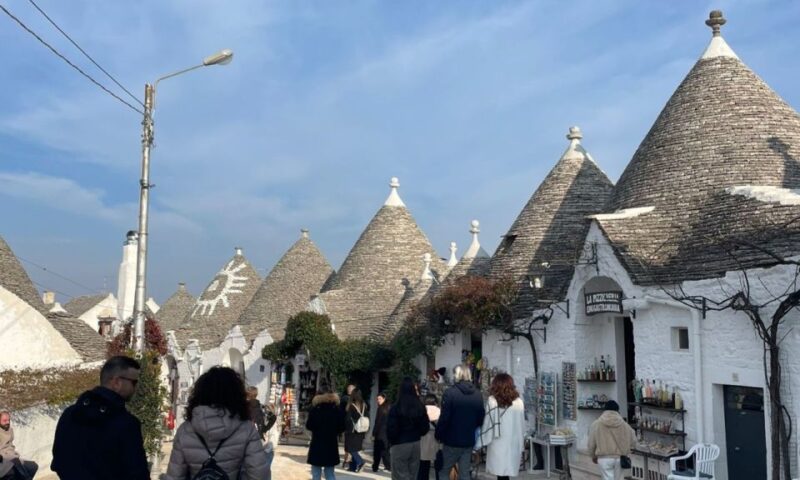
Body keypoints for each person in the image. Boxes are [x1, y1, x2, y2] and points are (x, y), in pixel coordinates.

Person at [52, 355, 149, 480]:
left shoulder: (69, 413)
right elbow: (137, 474)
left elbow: (58, 462)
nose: (135, 388)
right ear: (117, 382)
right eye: (134, 382)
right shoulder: (127, 424)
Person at [163, 367, 268, 480]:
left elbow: (174, 476)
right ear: (236, 395)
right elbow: (258, 475)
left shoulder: (185, 430)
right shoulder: (246, 429)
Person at [435, 364, 485, 480]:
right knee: (464, 473)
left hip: (451, 440)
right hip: (468, 439)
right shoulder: (477, 394)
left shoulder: (450, 393)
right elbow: (481, 418)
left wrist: (438, 434)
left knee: (444, 471)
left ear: (457, 375)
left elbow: (444, 418)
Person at [479, 373, 525, 480]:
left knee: (500, 473)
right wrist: (521, 443)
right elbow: (521, 424)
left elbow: (488, 422)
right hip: (512, 441)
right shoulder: (519, 402)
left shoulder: (492, 400)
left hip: (497, 441)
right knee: (506, 472)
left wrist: (482, 440)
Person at [387, 377, 430, 480]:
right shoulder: (420, 406)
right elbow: (425, 427)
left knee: (399, 475)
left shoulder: (396, 407)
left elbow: (391, 428)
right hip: (415, 443)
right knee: (412, 474)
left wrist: (392, 441)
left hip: (399, 444)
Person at [587, 400, 637, 480]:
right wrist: (627, 451)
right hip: (620, 458)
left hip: (604, 458)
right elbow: (634, 441)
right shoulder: (625, 425)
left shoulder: (596, 424)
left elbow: (591, 443)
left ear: (605, 410)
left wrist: (593, 455)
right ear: (617, 410)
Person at [307, 385, 346, 480]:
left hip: (317, 444)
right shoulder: (336, 409)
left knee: (316, 474)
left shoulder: (315, 409)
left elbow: (309, 425)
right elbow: (342, 427)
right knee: (330, 474)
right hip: (331, 444)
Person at [0, 411, 38, 480]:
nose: (7, 422)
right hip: (3, 459)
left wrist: (14, 454)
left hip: (13, 457)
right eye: (4, 420)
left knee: (33, 466)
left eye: (8, 420)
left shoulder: (10, 430)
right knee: (20, 473)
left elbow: (11, 445)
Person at [344, 388, 369, 472]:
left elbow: (348, 419)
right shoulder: (364, 404)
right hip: (361, 430)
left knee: (351, 449)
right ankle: (353, 467)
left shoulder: (351, 405)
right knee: (355, 448)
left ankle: (360, 462)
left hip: (352, 430)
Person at [418, 394, 440, 480]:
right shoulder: (439, 411)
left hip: (423, 439)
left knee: (423, 466)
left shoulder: (421, 410)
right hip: (436, 440)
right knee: (438, 466)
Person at [372, 392, 392, 473]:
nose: (378, 401)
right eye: (377, 399)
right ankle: (388, 466)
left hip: (380, 433)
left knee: (378, 451)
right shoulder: (390, 407)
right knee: (385, 451)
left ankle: (375, 467)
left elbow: (378, 422)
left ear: (384, 398)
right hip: (387, 433)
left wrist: (373, 433)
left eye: (379, 399)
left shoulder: (381, 408)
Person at [339, 384, 355, 468]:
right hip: (354, 425)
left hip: (349, 424)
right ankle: (349, 460)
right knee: (351, 443)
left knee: (348, 443)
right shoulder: (357, 400)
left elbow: (341, 412)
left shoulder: (345, 399)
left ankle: (347, 460)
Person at [262, 403, 280, 480]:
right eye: (266, 409)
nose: (266, 410)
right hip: (266, 448)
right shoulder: (268, 419)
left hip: (268, 449)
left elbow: (273, 437)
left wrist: (267, 448)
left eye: (268, 409)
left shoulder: (273, 420)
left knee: (266, 470)